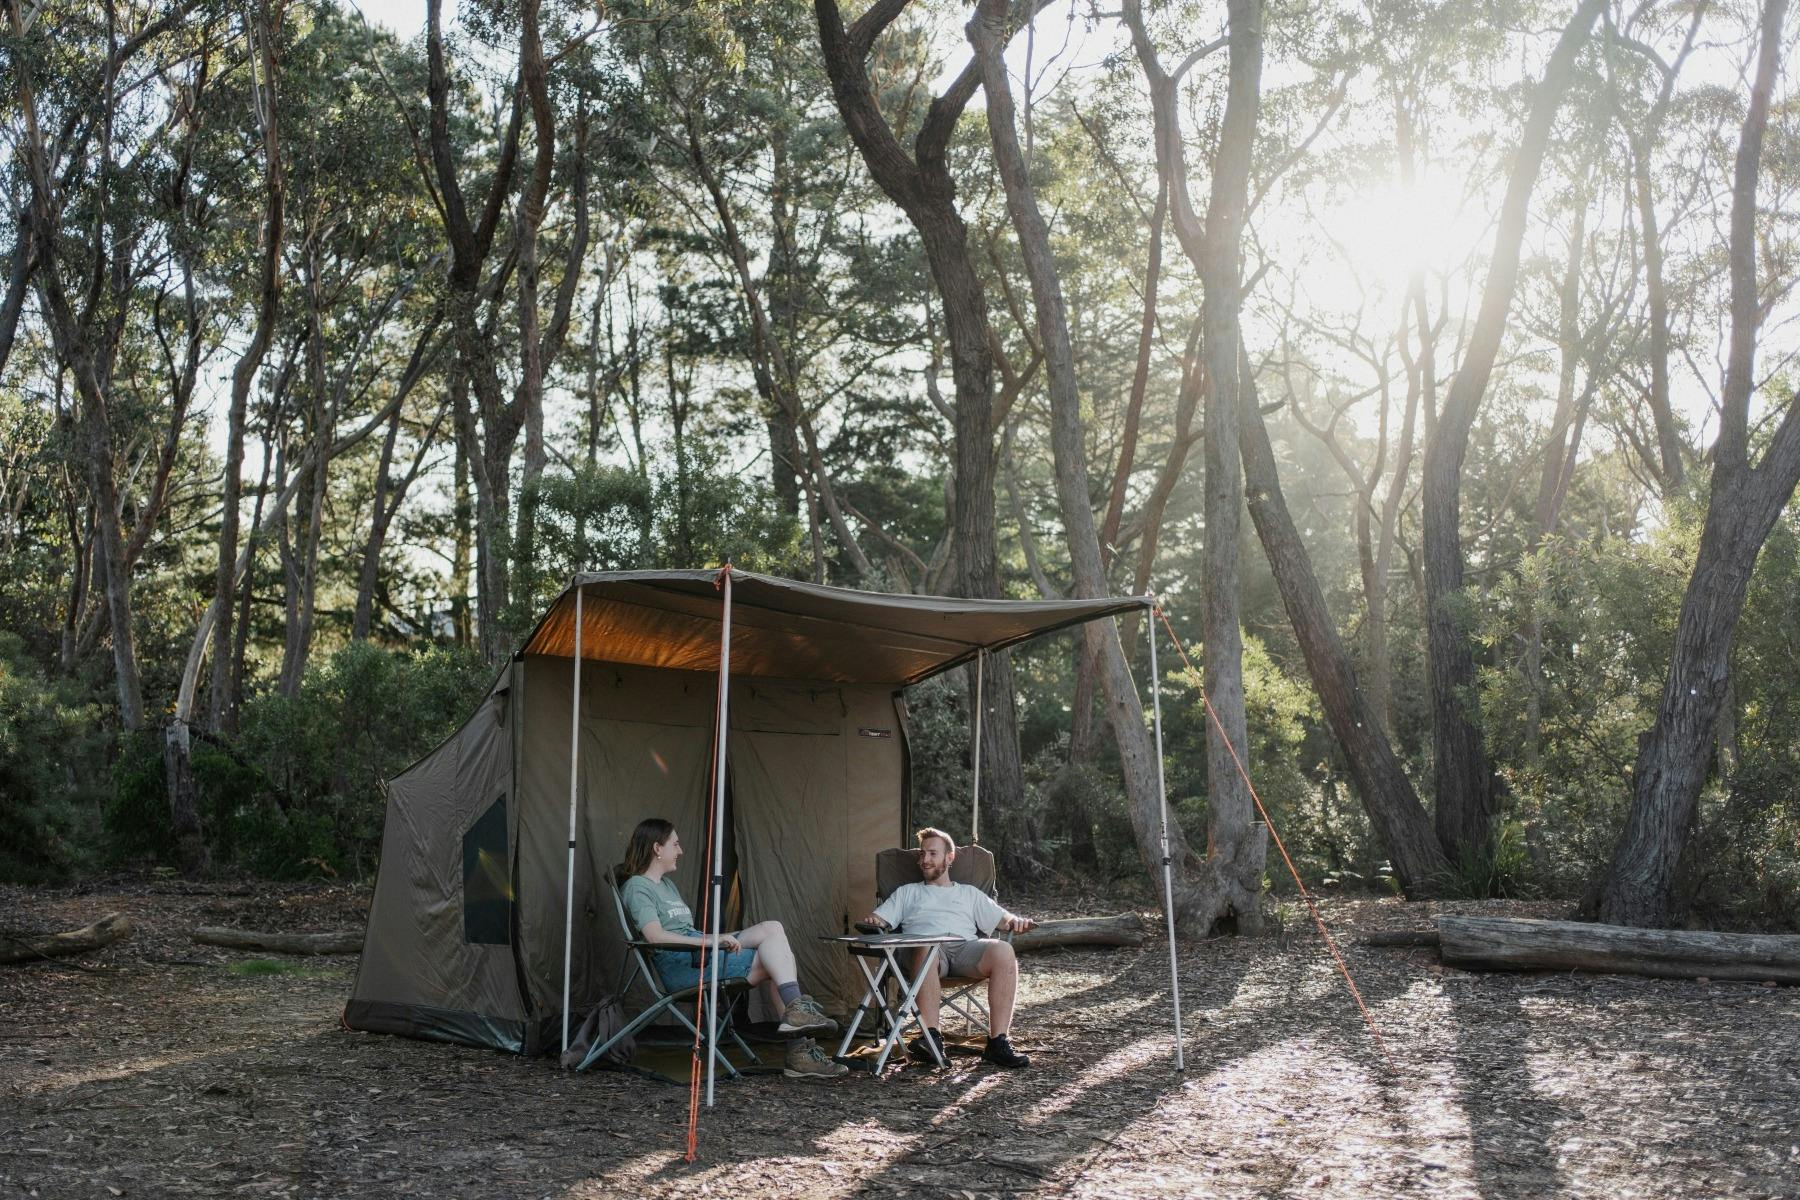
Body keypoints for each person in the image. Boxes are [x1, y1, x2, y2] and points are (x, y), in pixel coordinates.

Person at [617, 817, 847, 1080]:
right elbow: (655, 937)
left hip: (701, 954)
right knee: (778, 958)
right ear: (657, 848)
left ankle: (796, 1015)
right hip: (686, 968)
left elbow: (686, 932)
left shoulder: (666, 885)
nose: (680, 850)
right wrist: (712, 941)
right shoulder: (637, 887)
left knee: (773, 929)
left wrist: (714, 939)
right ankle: (798, 1048)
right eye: (675, 844)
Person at [863, 827, 1036, 1069]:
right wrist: (875, 921)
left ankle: (998, 1043)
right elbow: (879, 919)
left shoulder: (969, 893)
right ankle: (931, 1039)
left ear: (950, 858)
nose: (925, 860)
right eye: (922, 854)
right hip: (925, 954)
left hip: (965, 948)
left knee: (1004, 951)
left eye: (933, 854)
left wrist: (1016, 921)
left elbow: (1003, 918)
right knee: (926, 948)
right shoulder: (908, 892)